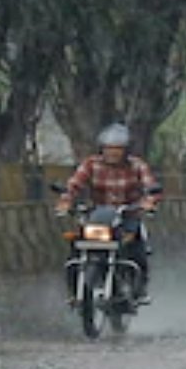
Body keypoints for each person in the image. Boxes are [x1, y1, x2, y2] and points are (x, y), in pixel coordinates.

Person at [55, 123, 162, 304]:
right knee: (76, 248)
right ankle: (75, 291)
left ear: (126, 150)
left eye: (118, 149)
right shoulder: (91, 164)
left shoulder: (137, 166)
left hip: (127, 216)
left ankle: (140, 288)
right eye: (109, 149)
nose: (113, 153)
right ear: (101, 149)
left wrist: (148, 202)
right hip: (98, 217)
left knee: (138, 250)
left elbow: (151, 187)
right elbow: (74, 185)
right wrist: (66, 201)